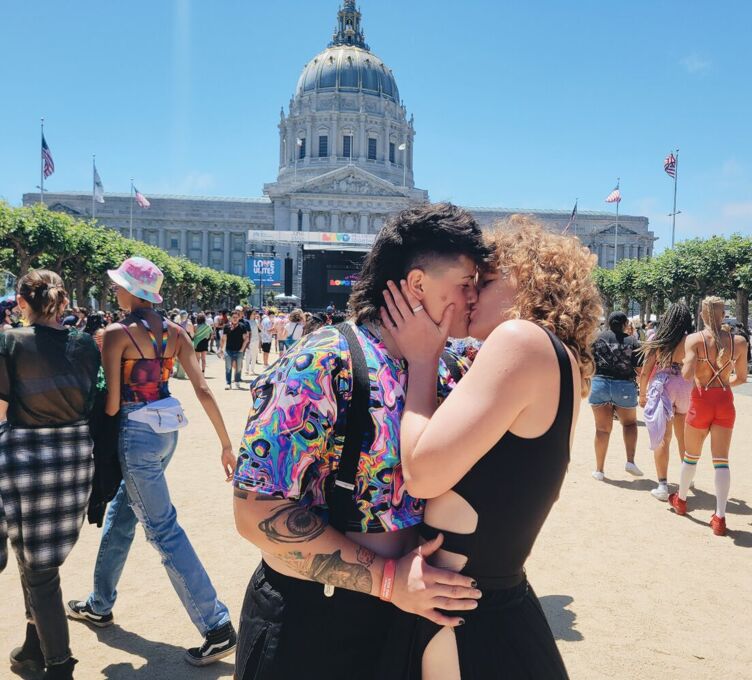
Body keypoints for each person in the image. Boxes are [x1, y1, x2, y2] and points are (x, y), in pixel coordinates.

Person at [231, 203, 490, 680]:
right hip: (315, 626)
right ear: (417, 285)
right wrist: (388, 581)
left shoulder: (451, 368)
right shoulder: (324, 362)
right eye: (465, 284)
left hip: (409, 622)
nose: (475, 296)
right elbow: (256, 513)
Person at [378, 216, 601, 680]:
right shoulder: (556, 357)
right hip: (490, 604)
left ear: (530, 282)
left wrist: (423, 361)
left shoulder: (521, 341)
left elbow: (421, 472)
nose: (472, 292)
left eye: (488, 280)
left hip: (466, 618)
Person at [66, 257, 239, 665]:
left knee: (163, 530)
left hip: (135, 434)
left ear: (133, 292)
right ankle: (99, 601)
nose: (115, 291)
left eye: (119, 286)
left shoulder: (115, 334)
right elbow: (202, 390)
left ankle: (216, 625)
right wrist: (225, 444)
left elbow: (111, 405)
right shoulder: (177, 333)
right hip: (166, 431)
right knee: (123, 516)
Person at [0, 270, 100, 679]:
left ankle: (59, 664)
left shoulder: (10, 342)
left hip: (24, 457)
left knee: (35, 569)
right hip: (74, 459)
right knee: (38, 561)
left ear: (22, 302)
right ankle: (33, 648)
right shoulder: (84, 344)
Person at [669, 296, 748, 535]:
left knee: (691, 457)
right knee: (721, 460)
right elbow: (742, 378)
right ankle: (720, 517)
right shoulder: (740, 342)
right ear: (723, 314)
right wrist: (723, 387)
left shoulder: (694, 340)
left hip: (701, 399)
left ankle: (681, 500)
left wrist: (689, 366)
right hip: (724, 400)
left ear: (702, 315)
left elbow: (685, 374)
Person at [638, 303, 694, 501]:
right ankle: (687, 477)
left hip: (664, 386)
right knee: (683, 436)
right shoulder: (691, 340)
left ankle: (662, 485)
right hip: (686, 386)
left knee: (663, 437)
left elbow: (646, 370)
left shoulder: (658, 339)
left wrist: (642, 394)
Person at [589, 311, 644, 480]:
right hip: (624, 385)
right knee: (629, 424)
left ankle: (599, 470)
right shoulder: (632, 341)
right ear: (625, 323)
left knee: (602, 429)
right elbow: (639, 369)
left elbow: (588, 362)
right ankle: (630, 461)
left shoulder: (596, 340)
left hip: (600, 384)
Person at [218, 309, 249, 390]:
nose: (235, 318)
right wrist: (221, 349)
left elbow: (246, 339)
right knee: (228, 367)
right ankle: (228, 383)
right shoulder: (226, 326)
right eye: (233, 317)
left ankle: (237, 381)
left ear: (239, 318)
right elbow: (223, 338)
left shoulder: (242, 326)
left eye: (236, 317)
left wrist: (242, 349)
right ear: (230, 318)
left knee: (238, 367)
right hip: (228, 350)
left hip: (239, 350)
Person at [244, 309, 261, 375]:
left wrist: (259, 321)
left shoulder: (256, 321)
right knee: (248, 355)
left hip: (256, 340)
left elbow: (260, 330)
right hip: (249, 340)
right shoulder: (246, 322)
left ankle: (252, 370)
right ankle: (247, 369)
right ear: (250, 314)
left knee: (254, 355)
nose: (255, 315)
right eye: (253, 314)